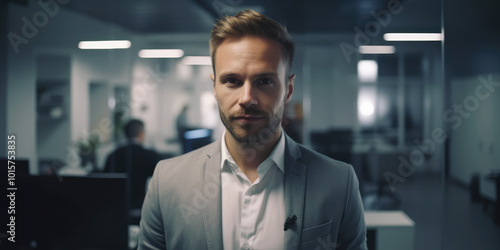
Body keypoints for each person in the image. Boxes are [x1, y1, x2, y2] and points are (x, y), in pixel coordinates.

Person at [139, 10, 367, 250]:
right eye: (232, 81)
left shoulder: (339, 183)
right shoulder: (167, 181)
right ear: (214, 87)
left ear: (288, 90)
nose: (247, 98)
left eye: (264, 81)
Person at [104, 119, 160, 210]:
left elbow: (106, 180)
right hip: (141, 206)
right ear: (141, 133)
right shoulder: (150, 155)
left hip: (115, 206)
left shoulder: (113, 155)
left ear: (125, 133)